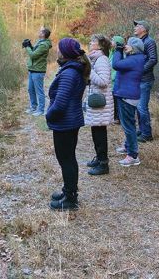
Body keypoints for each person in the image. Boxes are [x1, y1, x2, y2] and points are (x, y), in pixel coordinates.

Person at [46, 38, 91, 211]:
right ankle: (68, 191)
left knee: (66, 160)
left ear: (64, 53)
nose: (57, 51)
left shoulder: (69, 73)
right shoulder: (73, 69)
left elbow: (60, 103)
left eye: (59, 49)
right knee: (69, 158)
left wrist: (48, 116)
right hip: (71, 122)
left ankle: (71, 199)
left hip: (65, 123)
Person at [112, 37, 146, 166]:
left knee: (129, 126)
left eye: (128, 45)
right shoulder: (135, 59)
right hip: (126, 94)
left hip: (127, 96)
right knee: (128, 124)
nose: (126, 46)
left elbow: (116, 65)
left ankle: (133, 155)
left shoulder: (135, 59)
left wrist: (118, 50)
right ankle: (128, 146)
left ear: (134, 47)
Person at [85, 34, 114, 175]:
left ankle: (103, 164)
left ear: (100, 46)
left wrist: (88, 71)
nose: (90, 43)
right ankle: (99, 159)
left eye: (93, 41)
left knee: (100, 133)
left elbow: (103, 81)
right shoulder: (96, 59)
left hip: (100, 103)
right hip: (97, 102)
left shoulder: (101, 59)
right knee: (96, 132)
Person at [133, 20, 158, 142]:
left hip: (145, 80)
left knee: (142, 107)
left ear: (144, 29)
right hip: (138, 80)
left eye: (138, 25)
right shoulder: (138, 42)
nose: (135, 27)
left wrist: (140, 70)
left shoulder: (149, 42)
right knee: (138, 107)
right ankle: (142, 130)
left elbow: (153, 59)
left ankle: (147, 134)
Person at [24, 28, 52, 116]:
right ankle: (33, 107)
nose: (38, 32)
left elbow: (33, 55)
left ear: (43, 34)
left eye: (40, 31)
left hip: (38, 70)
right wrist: (30, 45)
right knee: (30, 89)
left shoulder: (44, 45)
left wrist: (27, 47)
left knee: (39, 90)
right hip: (33, 69)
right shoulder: (40, 42)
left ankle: (41, 110)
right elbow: (34, 51)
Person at [109, 35, 125, 123]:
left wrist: (113, 77)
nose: (111, 42)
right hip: (111, 80)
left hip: (116, 80)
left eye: (113, 40)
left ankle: (118, 118)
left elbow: (117, 67)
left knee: (117, 99)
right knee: (113, 99)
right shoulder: (112, 52)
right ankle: (115, 117)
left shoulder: (120, 54)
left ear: (117, 43)